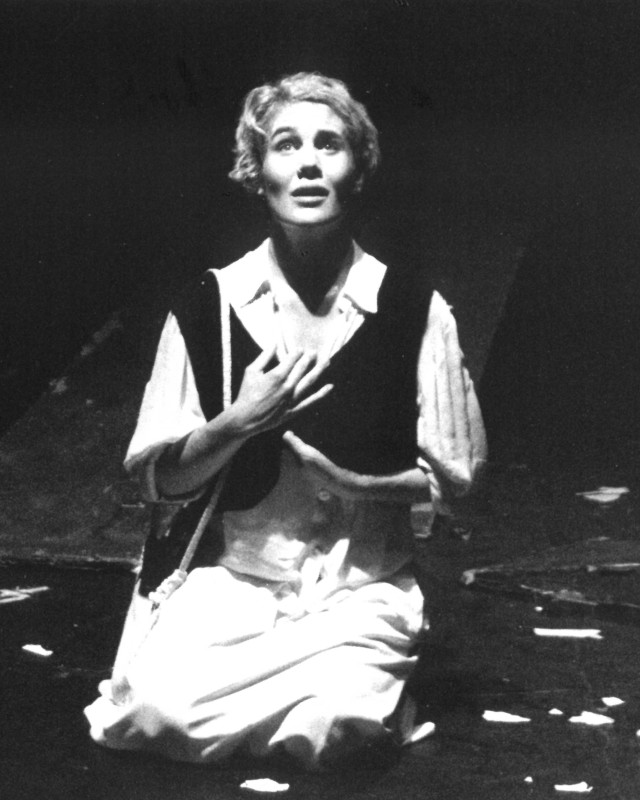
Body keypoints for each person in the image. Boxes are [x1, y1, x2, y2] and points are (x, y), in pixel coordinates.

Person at [84, 72, 486, 770]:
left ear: (358, 170)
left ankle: (371, 693)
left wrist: (360, 483)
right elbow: (159, 482)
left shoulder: (414, 308)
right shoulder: (209, 305)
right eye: (286, 145)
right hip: (234, 583)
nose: (307, 163)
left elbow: (456, 482)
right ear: (256, 170)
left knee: (332, 728)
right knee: (154, 714)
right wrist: (236, 423)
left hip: (360, 589)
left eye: (329, 145)